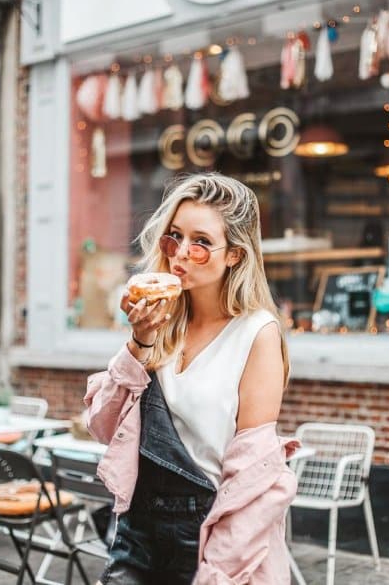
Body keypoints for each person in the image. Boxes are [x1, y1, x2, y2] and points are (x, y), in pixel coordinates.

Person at [84, 172, 299, 585]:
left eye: (201, 243)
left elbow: (251, 475)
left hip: (209, 531)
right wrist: (138, 343)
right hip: (138, 529)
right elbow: (103, 426)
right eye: (175, 237)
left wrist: (216, 572)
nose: (181, 252)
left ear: (234, 255)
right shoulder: (160, 319)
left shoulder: (256, 333)